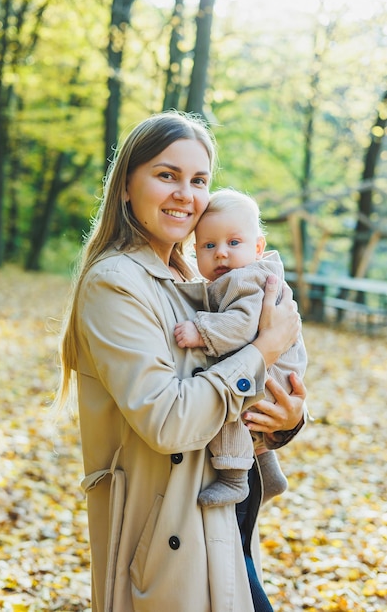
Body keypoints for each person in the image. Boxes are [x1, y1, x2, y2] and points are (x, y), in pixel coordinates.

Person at [56, 111, 307, 612]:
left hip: (223, 520)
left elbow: (238, 387)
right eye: (166, 175)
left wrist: (287, 418)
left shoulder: (198, 276)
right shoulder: (116, 284)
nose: (185, 194)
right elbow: (168, 422)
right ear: (127, 185)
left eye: (198, 180)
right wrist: (265, 349)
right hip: (167, 538)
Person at [174, 188, 308, 508]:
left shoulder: (247, 278)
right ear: (195, 251)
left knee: (228, 407)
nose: (221, 253)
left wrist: (201, 330)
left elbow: (242, 325)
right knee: (235, 394)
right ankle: (268, 475)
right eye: (209, 245)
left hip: (274, 372)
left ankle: (234, 478)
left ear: (258, 247)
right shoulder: (244, 274)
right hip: (277, 371)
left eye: (233, 243)